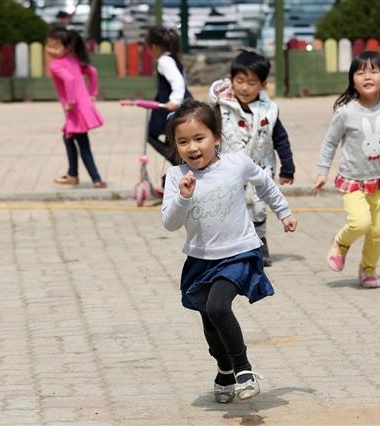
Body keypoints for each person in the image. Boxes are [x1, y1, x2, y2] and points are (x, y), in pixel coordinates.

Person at [161, 99, 298, 403]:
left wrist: (284, 212)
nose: (192, 147)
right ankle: (224, 368)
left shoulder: (236, 164)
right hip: (200, 259)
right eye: (183, 142)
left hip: (239, 253)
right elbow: (169, 224)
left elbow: (265, 183)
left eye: (200, 138)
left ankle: (243, 369)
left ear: (216, 137)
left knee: (218, 307)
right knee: (208, 319)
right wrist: (183, 197)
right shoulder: (176, 177)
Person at [311, 51, 380, 288]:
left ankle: (368, 269)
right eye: (360, 72)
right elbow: (330, 142)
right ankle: (341, 243)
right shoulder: (346, 111)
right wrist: (322, 171)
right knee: (360, 223)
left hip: (378, 180)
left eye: (374, 71)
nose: (367, 76)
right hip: (352, 180)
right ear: (352, 80)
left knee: (377, 231)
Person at [209, 50, 295, 266]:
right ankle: (231, 247)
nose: (245, 88)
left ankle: (260, 241)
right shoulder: (221, 106)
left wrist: (288, 167)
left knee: (257, 206)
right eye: (239, 81)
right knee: (231, 206)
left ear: (263, 84)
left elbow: (281, 138)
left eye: (251, 82)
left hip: (260, 167)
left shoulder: (269, 111)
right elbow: (209, 134)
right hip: (228, 167)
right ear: (231, 80)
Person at [46, 26, 107, 189]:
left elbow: (70, 80)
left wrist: (70, 102)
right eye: (49, 45)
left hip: (75, 110)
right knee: (68, 138)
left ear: (66, 47)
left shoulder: (56, 65)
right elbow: (92, 71)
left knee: (83, 145)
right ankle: (72, 174)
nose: (50, 50)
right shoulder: (72, 60)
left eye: (55, 46)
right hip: (81, 107)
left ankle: (96, 179)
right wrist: (92, 92)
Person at [145, 25, 192, 168]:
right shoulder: (173, 58)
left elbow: (177, 81)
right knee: (171, 139)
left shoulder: (164, 61)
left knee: (151, 135)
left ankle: (180, 164)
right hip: (179, 104)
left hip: (172, 106)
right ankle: (177, 170)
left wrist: (175, 101)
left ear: (154, 47)